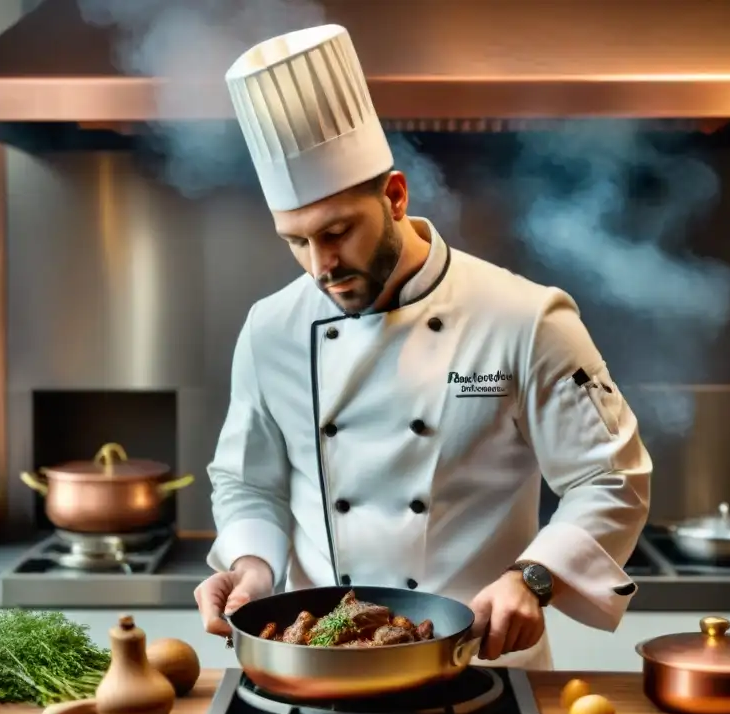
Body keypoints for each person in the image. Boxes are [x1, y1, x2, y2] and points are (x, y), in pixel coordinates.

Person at [194, 24, 652, 670]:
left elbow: (612, 477)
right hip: (319, 675)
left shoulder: (526, 318)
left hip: (485, 671)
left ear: (396, 197)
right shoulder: (270, 330)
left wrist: (535, 579)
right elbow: (248, 484)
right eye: (295, 241)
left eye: (338, 231)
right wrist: (250, 564)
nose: (320, 265)